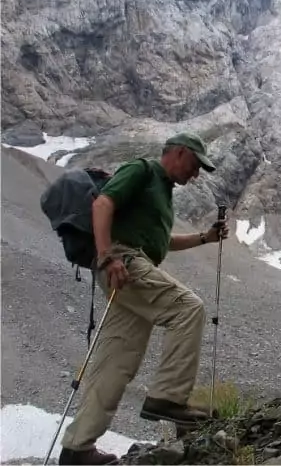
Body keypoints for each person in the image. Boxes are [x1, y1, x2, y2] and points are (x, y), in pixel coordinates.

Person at [59, 133, 229, 465]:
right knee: (188, 308)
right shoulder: (143, 170)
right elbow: (103, 204)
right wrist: (108, 257)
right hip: (123, 262)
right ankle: (168, 397)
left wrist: (204, 238)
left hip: (128, 270)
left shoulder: (162, 193)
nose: (195, 175)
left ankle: (77, 449)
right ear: (179, 153)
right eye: (195, 165)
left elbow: (160, 242)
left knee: (116, 362)